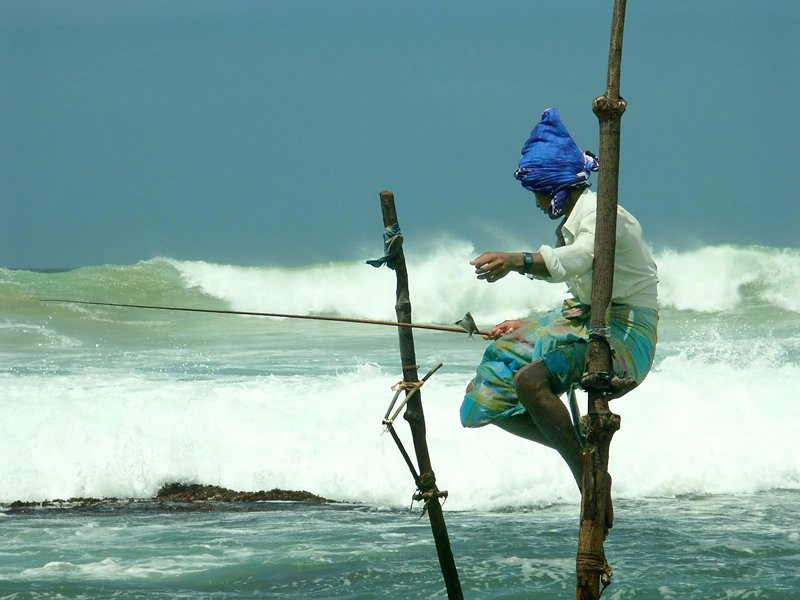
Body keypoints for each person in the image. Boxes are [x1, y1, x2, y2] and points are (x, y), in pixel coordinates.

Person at [460, 108, 659, 508]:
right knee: (483, 399)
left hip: (625, 334)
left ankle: (587, 476)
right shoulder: (573, 220)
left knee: (530, 382)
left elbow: (581, 258)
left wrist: (517, 260)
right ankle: (576, 446)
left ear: (557, 190)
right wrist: (527, 323)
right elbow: (581, 294)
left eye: (539, 193)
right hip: (589, 319)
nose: (536, 203)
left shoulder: (606, 218)